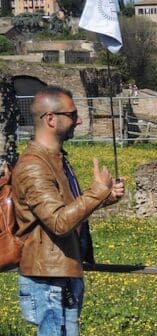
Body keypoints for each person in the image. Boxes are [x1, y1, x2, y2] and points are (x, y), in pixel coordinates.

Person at [13, 86, 124, 335]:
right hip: (48, 279)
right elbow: (59, 222)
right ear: (50, 119)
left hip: (60, 273)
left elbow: (67, 210)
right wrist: (96, 191)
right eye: (73, 115)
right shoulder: (34, 167)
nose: (79, 119)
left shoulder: (56, 159)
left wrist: (104, 197)